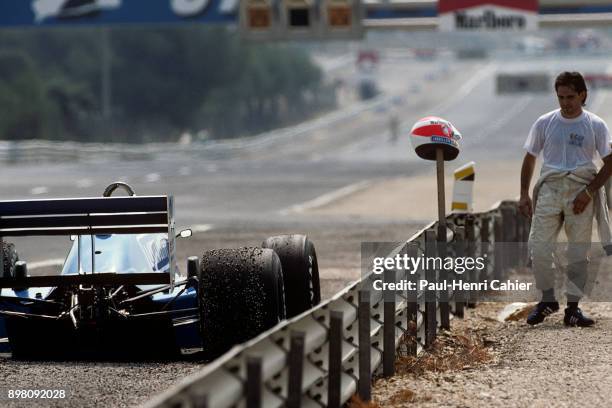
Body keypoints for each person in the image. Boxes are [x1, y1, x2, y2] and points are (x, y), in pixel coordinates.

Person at [519, 71, 612, 327]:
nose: (565, 103)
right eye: (561, 97)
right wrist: (524, 194)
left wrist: (589, 192)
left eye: (571, 97)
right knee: (538, 248)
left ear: (583, 95)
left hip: (581, 190)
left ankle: (573, 308)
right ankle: (547, 299)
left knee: (578, 252)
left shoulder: (595, 125)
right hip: (550, 188)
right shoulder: (545, 122)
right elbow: (530, 157)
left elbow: (609, 162)